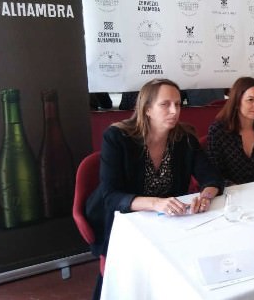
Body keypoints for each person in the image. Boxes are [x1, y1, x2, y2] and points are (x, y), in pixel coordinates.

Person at [85, 78, 224, 259]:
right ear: (147, 109)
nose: (174, 111)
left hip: (167, 221)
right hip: (124, 220)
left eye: (177, 104)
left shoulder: (185, 138)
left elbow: (212, 177)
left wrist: (205, 197)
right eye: (165, 104)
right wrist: (156, 203)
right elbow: (111, 196)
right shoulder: (117, 137)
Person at [206, 77, 254, 185]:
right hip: (230, 195)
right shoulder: (218, 131)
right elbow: (214, 174)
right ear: (237, 102)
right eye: (250, 100)